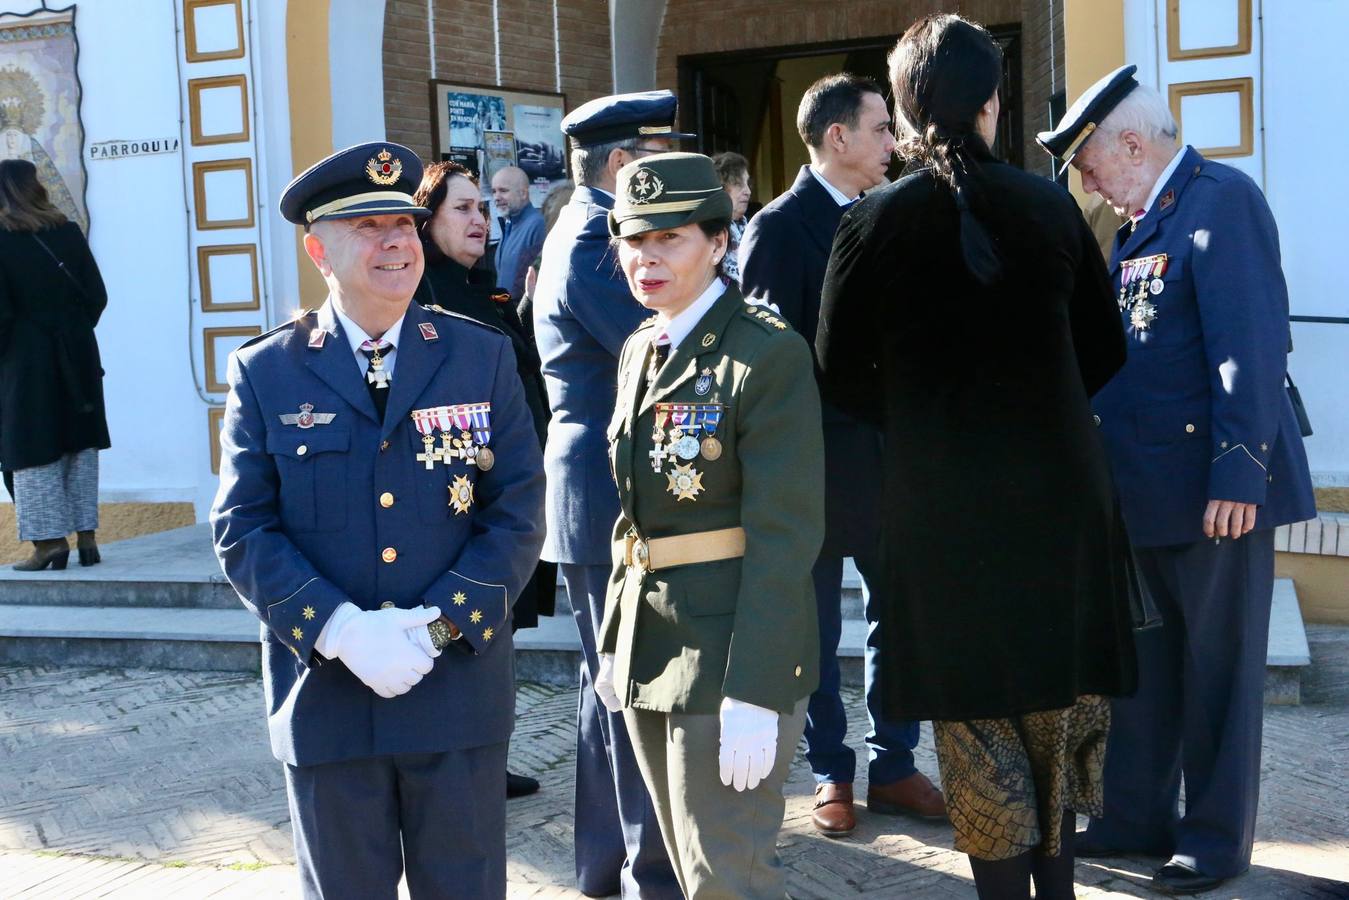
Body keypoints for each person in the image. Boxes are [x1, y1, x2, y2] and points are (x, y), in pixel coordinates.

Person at [817, 16, 1140, 899]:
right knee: (1058, 711)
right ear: (993, 101)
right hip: (1059, 501)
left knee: (976, 725)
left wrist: (925, 417)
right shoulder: (1051, 207)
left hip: (942, 506)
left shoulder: (871, 220)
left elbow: (838, 377)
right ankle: (1058, 887)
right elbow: (1104, 352)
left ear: (909, 108)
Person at [210, 142, 545, 899]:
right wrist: (340, 630)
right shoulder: (268, 370)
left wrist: (434, 628)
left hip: (453, 688)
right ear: (316, 247)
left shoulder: (478, 356)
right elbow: (242, 526)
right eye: (368, 226)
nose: (395, 241)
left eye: (403, 222)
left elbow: (520, 507)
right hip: (327, 695)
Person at [1039, 65, 1316, 895]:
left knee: (1218, 673)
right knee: (1147, 673)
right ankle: (1135, 813)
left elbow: (1249, 346)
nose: (1088, 185)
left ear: (1130, 143)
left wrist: (1239, 474)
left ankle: (1214, 838)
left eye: (1089, 166)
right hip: (1149, 495)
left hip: (1213, 495)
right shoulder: (1140, 223)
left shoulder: (1218, 200)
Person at [594, 150, 823, 899]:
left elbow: (785, 539)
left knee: (729, 875)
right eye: (634, 239)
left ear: (720, 243)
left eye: (671, 239)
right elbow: (639, 517)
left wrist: (756, 687)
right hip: (649, 639)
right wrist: (612, 642)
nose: (646, 259)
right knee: (688, 867)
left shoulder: (765, 355)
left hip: (728, 649)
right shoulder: (641, 347)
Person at [739, 72, 943, 837]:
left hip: (892, 465)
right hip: (816, 472)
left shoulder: (888, 216)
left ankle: (895, 764)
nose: (894, 143)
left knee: (900, 621)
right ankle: (832, 772)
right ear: (837, 138)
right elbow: (767, 366)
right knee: (816, 630)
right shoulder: (778, 227)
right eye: (881, 129)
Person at [532, 90, 689, 899]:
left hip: (599, 486)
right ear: (624, 164)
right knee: (635, 689)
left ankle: (605, 865)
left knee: (611, 690)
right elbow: (656, 343)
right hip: (610, 488)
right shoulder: (597, 234)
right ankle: (649, 873)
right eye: (658, 159)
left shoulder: (581, 227)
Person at [412, 159, 556, 801]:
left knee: (495, 635)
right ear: (428, 221)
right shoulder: (423, 297)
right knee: (457, 636)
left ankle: (481, 762)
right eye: (462, 209)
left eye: (482, 208)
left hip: (511, 496)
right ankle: (450, 767)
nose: (480, 219)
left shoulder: (489, 292)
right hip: (460, 500)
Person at [0, 158, 108, 571]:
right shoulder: (66, 231)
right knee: (79, 443)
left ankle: (49, 545)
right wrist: (73, 330)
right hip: (78, 352)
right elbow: (97, 295)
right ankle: (87, 539)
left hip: (26, 362)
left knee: (31, 449)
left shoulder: (2, 239)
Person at [491, 165, 547, 302]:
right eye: (494, 191)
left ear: (523, 193)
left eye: (503, 191)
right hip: (507, 314)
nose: (497, 197)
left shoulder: (537, 225)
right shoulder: (509, 224)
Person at [711, 151, 752, 282]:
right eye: (739, 184)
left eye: (747, 183)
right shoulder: (709, 233)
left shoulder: (752, 229)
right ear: (721, 187)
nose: (748, 192)